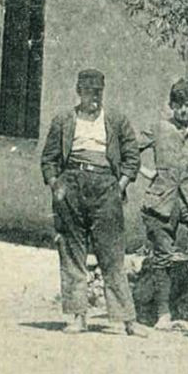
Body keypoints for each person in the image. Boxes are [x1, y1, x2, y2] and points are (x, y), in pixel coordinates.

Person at [38, 68, 145, 337]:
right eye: (88, 92)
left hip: (105, 186)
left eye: (98, 92)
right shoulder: (64, 119)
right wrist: (55, 185)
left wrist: (119, 186)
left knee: (111, 253)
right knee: (72, 252)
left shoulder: (116, 120)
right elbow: (49, 158)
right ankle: (77, 316)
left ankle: (124, 319)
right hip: (71, 186)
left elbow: (132, 157)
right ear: (79, 92)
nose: (93, 98)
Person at [136, 79, 188, 329]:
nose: (184, 111)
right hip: (162, 201)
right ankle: (163, 313)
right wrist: (145, 172)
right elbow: (127, 149)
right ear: (172, 106)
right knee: (162, 256)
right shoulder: (159, 129)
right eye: (179, 106)